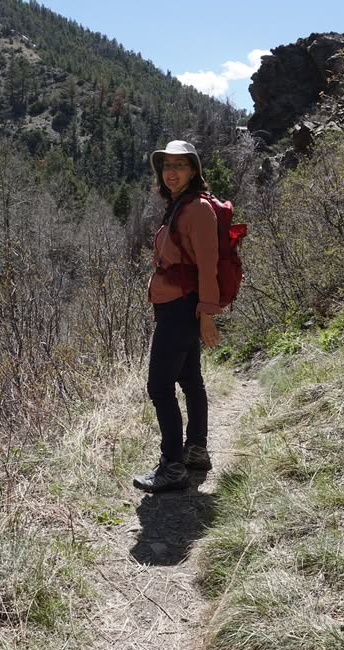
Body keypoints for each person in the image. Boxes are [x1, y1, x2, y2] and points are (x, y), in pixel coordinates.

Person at [134, 140, 222, 493]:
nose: (171, 172)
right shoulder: (180, 205)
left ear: (194, 170)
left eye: (179, 165)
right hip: (179, 305)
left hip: (182, 308)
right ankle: (195, 450)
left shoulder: (198, 209)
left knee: (159, 387)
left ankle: (172, 465)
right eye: (166, 166)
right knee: (189, 379)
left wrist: (207, 314)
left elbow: (209, 265)